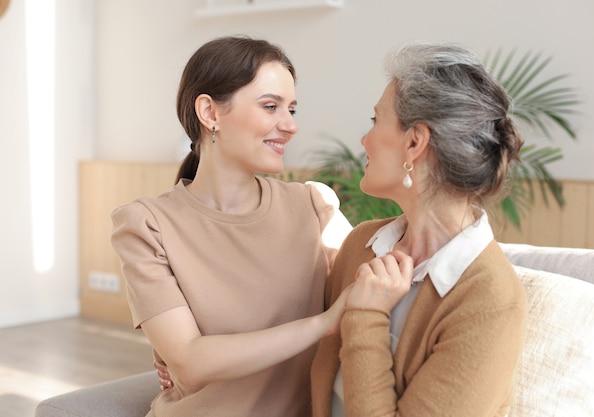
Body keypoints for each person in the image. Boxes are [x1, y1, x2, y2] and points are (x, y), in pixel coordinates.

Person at [110, 36, 353, 417]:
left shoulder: (314, 206)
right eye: (271, 106)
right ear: (210, 112)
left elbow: (376, 295)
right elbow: (190, 361)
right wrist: (322, 324)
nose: (290, 125)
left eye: (291, 109)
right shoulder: (146, 225)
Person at [310, 42, 529, 417]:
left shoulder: (490, 301)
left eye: (375, 120)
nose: (365, 140)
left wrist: (366, 317)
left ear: (414, 142)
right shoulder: (361, 244)